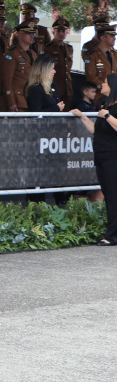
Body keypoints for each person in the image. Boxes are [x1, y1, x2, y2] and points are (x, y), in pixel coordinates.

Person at [70, 73, 117, 245]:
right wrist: (82, 116)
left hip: (114, 156)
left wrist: (106, 116)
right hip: (101, 155)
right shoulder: (103, 104)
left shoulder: (110, 110)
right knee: (107, 194)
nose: (101, 85)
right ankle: (111, 231)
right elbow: (97, 130)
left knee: (113, 196)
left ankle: (112, 236)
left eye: (105, 82)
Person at [4, 20, 40, 112]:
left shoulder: (33, 54)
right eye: (28, 33)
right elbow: (7, 80)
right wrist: (11, 101)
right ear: (20, 35)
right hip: (18, 100)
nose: (32, 36)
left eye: (33, 33)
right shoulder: (13, 53)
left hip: (32, 99)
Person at [83, 22, 117, 102]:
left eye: (114, 36)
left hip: (114, 97)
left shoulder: (115, 55)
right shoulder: (92, 56)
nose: (114, 38)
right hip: (99, 97)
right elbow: (91, 77)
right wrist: (108, 87)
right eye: (111, 36)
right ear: (103, 38)